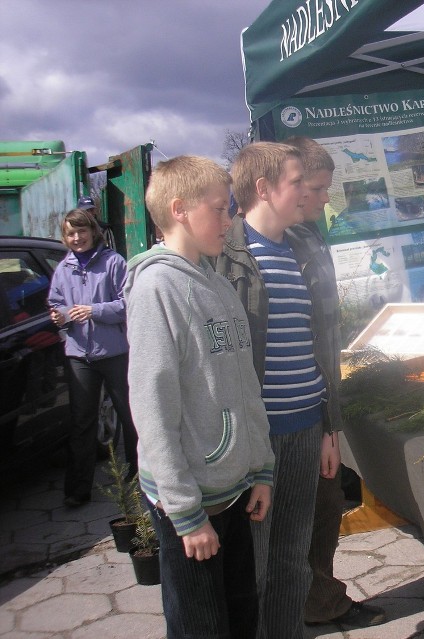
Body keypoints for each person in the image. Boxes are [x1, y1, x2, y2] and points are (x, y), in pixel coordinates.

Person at [124, 156, 275, 639]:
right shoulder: (157, 288)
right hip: (189, 502)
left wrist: (261, 468)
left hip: (231, 489)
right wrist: (187, 515)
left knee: (240, 616)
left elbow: (244, 387)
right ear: (180, 210)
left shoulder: (218, 283)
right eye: (219, 209)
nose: (229, 220)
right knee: (201, 627)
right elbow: (152, 407)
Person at [214, 141, 326, 638]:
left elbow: (326, 341)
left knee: (293, 560)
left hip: (306, 427)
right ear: (263, 188)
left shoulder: (305, 246)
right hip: (257, 441)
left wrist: (331, 426)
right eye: (298, 180)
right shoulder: (225, 256)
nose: (307, 190)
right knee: (251, 569)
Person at [286, 136, 386, 628]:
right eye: (320, 188)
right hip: (291, 410)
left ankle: (317, 598)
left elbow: (322, 323)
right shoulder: (266, 245)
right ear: (293, 185)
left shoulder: (307, 236)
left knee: (325, 508)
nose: (327, 198)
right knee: (309, 511)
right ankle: (310, 603)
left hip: (319, 401)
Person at [48, 208, 138, 507]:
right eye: (70, 233)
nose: (76, 238)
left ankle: (139, 480)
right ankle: (78, 489)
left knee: (130, 416)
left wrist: (94, 311)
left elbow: (129, 303)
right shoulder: (63, 269)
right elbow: (56, 303)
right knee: (82, 422)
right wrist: (60, 316)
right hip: (79, 356)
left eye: (81, 231)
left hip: (114, 353)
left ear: (93, 231)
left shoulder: (113, 263)